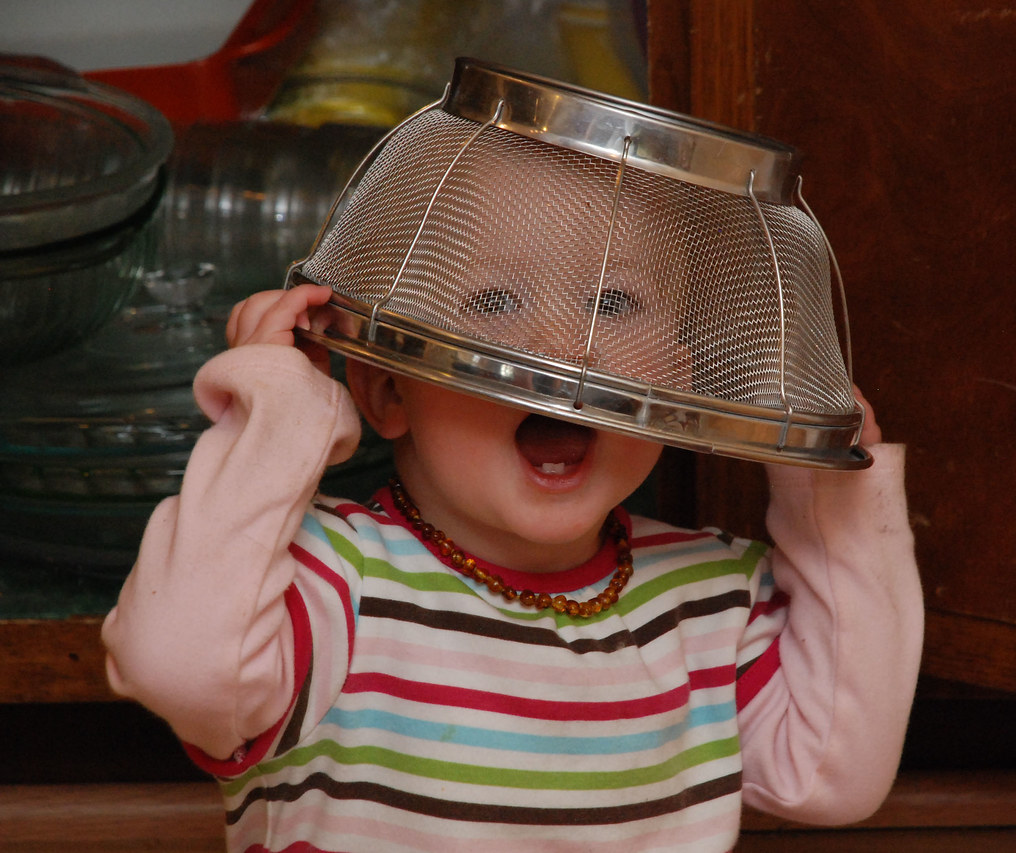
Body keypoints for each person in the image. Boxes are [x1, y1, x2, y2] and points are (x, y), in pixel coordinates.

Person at [102, 280, 922, 853]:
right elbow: (180, 666)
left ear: (682, 377)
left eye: (613, 300)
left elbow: (832, 775)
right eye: (493, 302)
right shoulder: (330, 581)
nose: (565, 346)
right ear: (388, 390)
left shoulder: (708, 596)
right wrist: (274, 414)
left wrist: (829, 487)